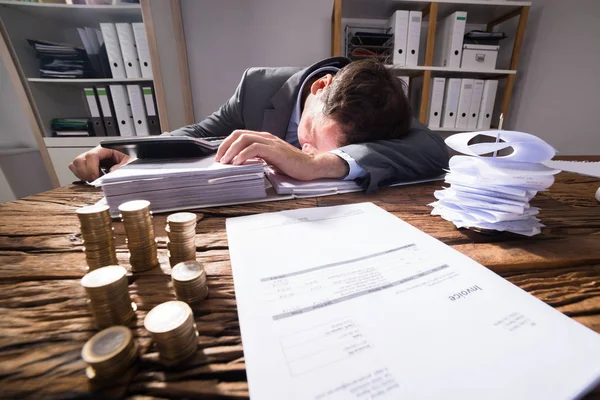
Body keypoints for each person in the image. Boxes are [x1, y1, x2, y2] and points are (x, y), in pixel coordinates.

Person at [69, 57, 448, 192]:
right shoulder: (257, 88)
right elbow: (197, 135)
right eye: (314, 138)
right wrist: (128, 148)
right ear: (319, 88)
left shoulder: (380, 105)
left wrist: (319, 164)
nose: (309, 150)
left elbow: (432, 148)